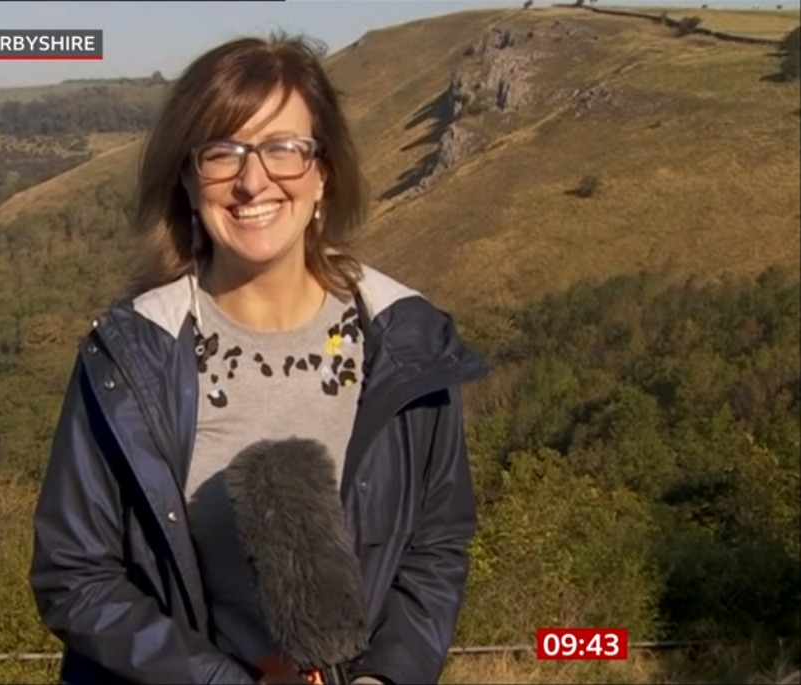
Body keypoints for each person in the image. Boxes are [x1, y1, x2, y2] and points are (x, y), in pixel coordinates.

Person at [29, 32, 488, 685]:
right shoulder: (129, 358)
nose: (253, 180)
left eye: (283, 148)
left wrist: (385, 677)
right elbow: (74, 573)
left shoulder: (409, 343)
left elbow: (436, 546)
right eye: (222, 152)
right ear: (189, 179)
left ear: (323, 169)